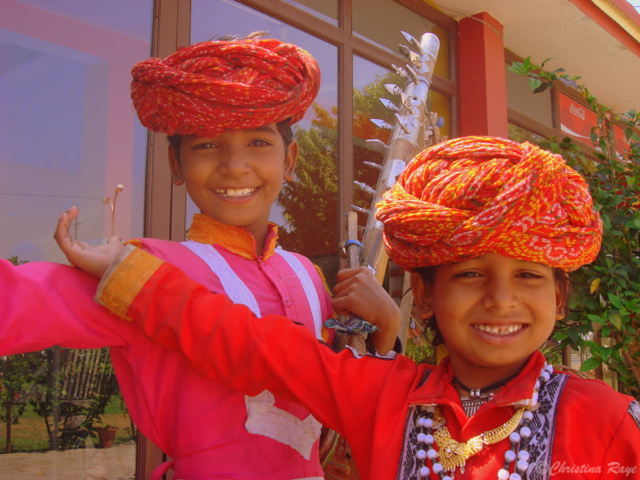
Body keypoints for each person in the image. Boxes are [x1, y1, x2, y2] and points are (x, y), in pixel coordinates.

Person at [56, 136, 640, 480]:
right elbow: (248, 343)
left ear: (558, 299)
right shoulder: (383, 396)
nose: (501, 298)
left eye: (528, 276)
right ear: (426, 297)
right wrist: (125, 273)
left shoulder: (607, 420)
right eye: (469, 274)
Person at [0, 35, 400, 480]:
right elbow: (19, 302)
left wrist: (386, 330)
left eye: (258, 143)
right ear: (176, 164)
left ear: (289, 160)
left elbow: (349, 395)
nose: (234, 166)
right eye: (207, 145)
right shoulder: (137, 271)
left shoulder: (307, 274)